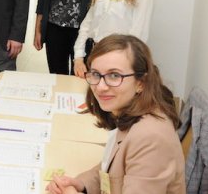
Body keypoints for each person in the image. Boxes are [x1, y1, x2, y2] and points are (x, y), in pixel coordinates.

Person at [47, 34, 185, 194]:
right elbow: (111, 169)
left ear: (141, 83)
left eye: (114, 75)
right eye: (96, 74)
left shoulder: (151, 137)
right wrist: (80, 184)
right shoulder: (128, 111)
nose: (100, 87)